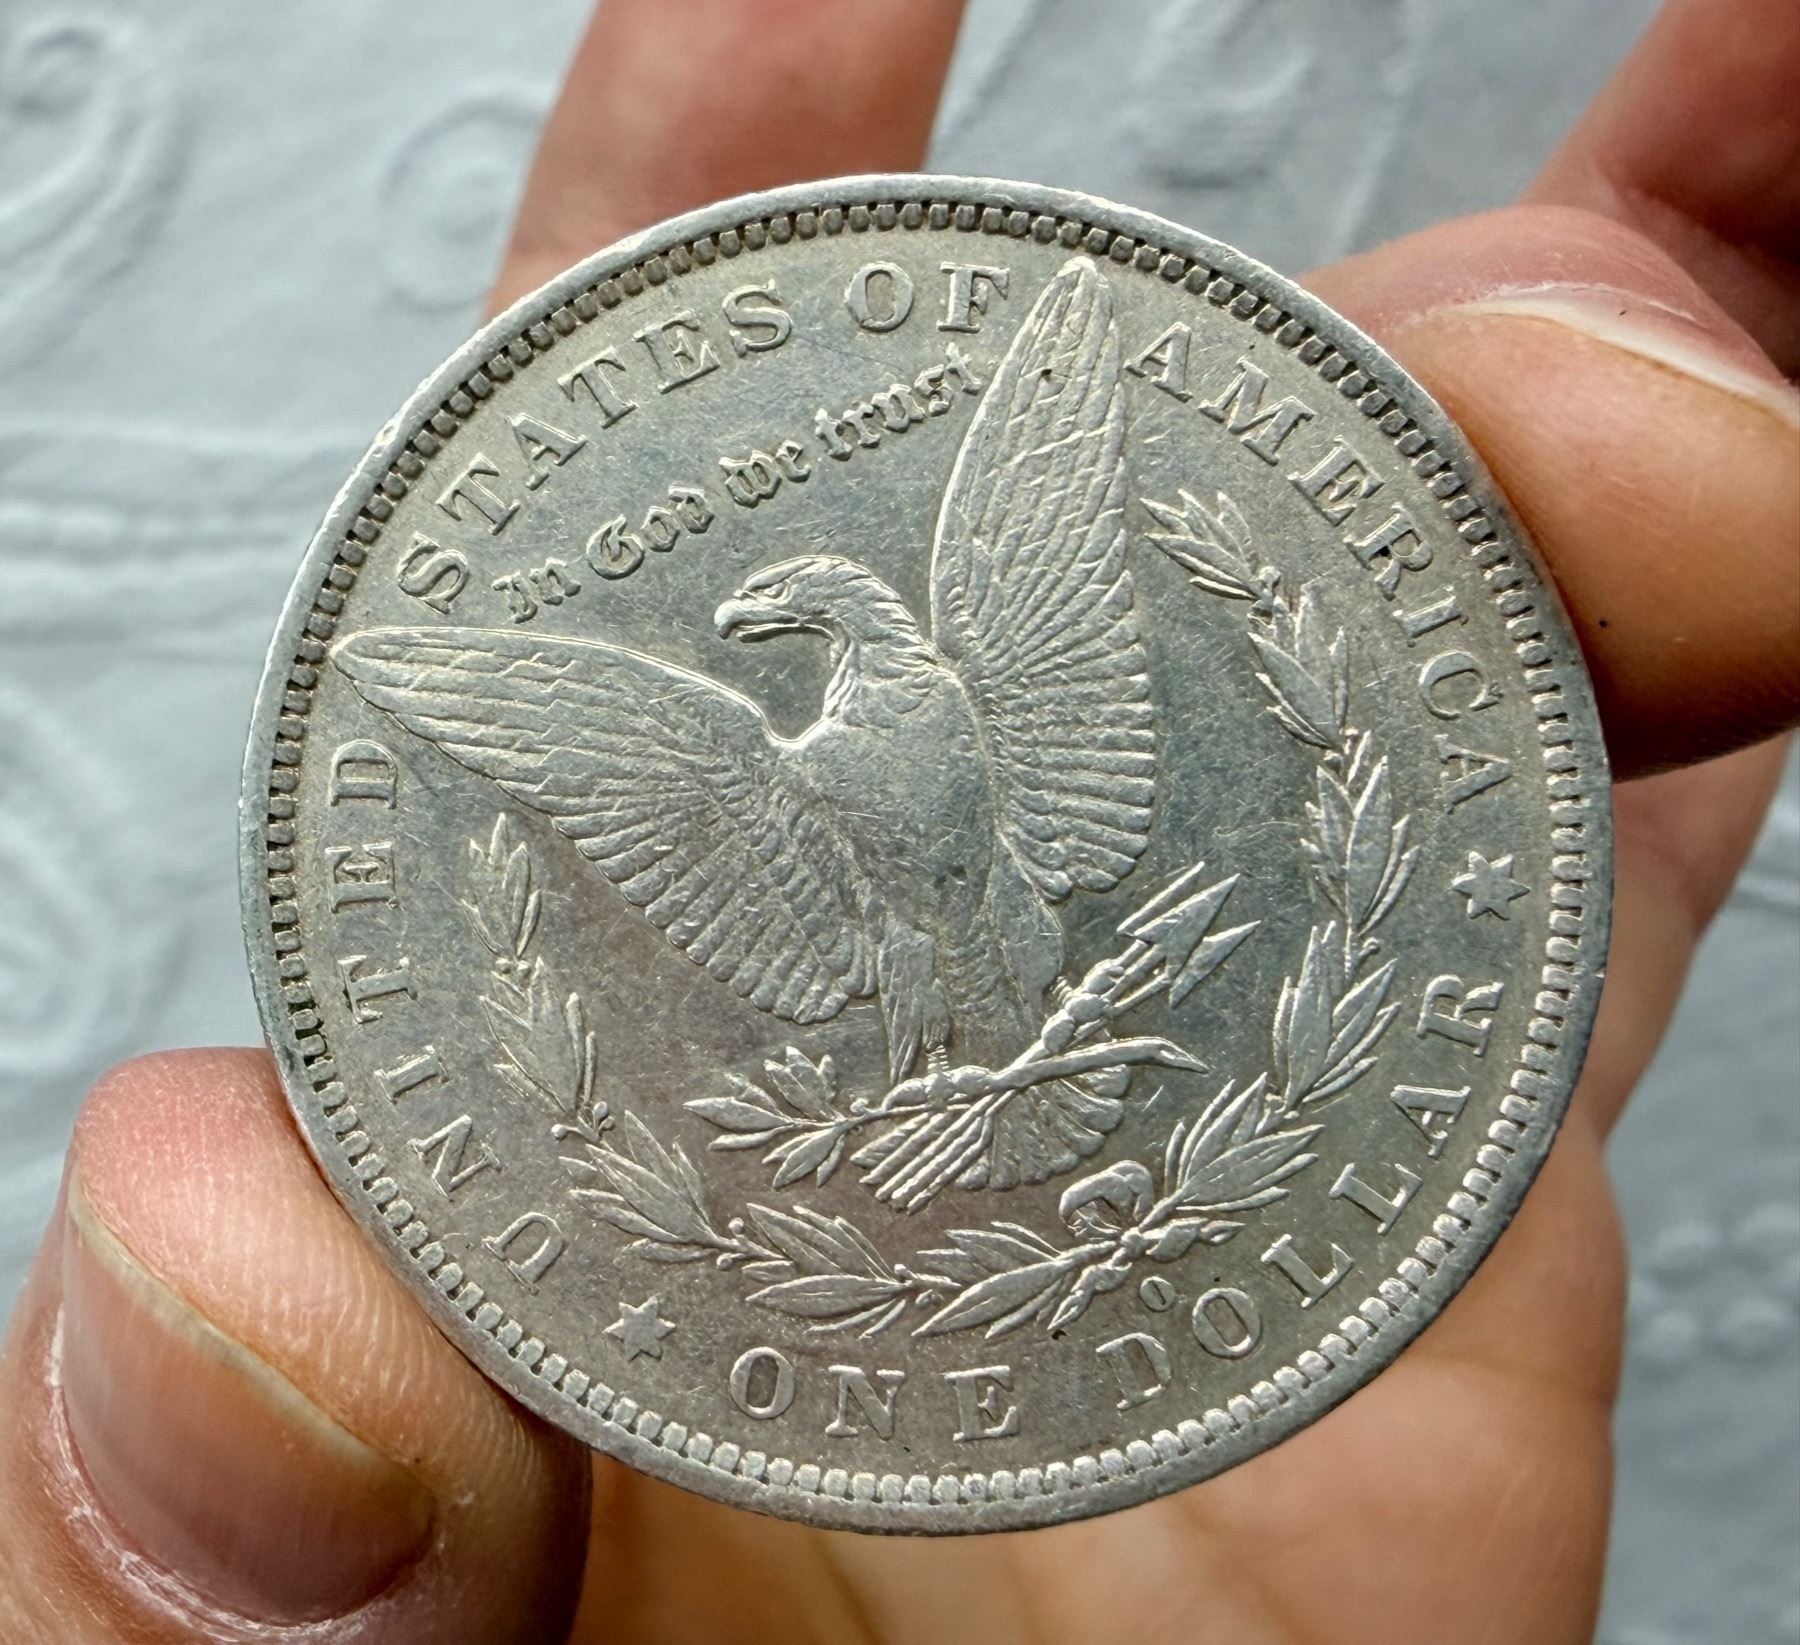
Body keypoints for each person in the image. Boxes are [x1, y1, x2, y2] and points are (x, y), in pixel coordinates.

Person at [2, 1, 1795, 1639]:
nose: (775, 625)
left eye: (802, 611)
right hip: (911, 992)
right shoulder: (750, 761)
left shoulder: (963, 662)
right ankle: (963, 1085)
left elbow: (1032, 528)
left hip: (1024, 934)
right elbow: (575, 733)